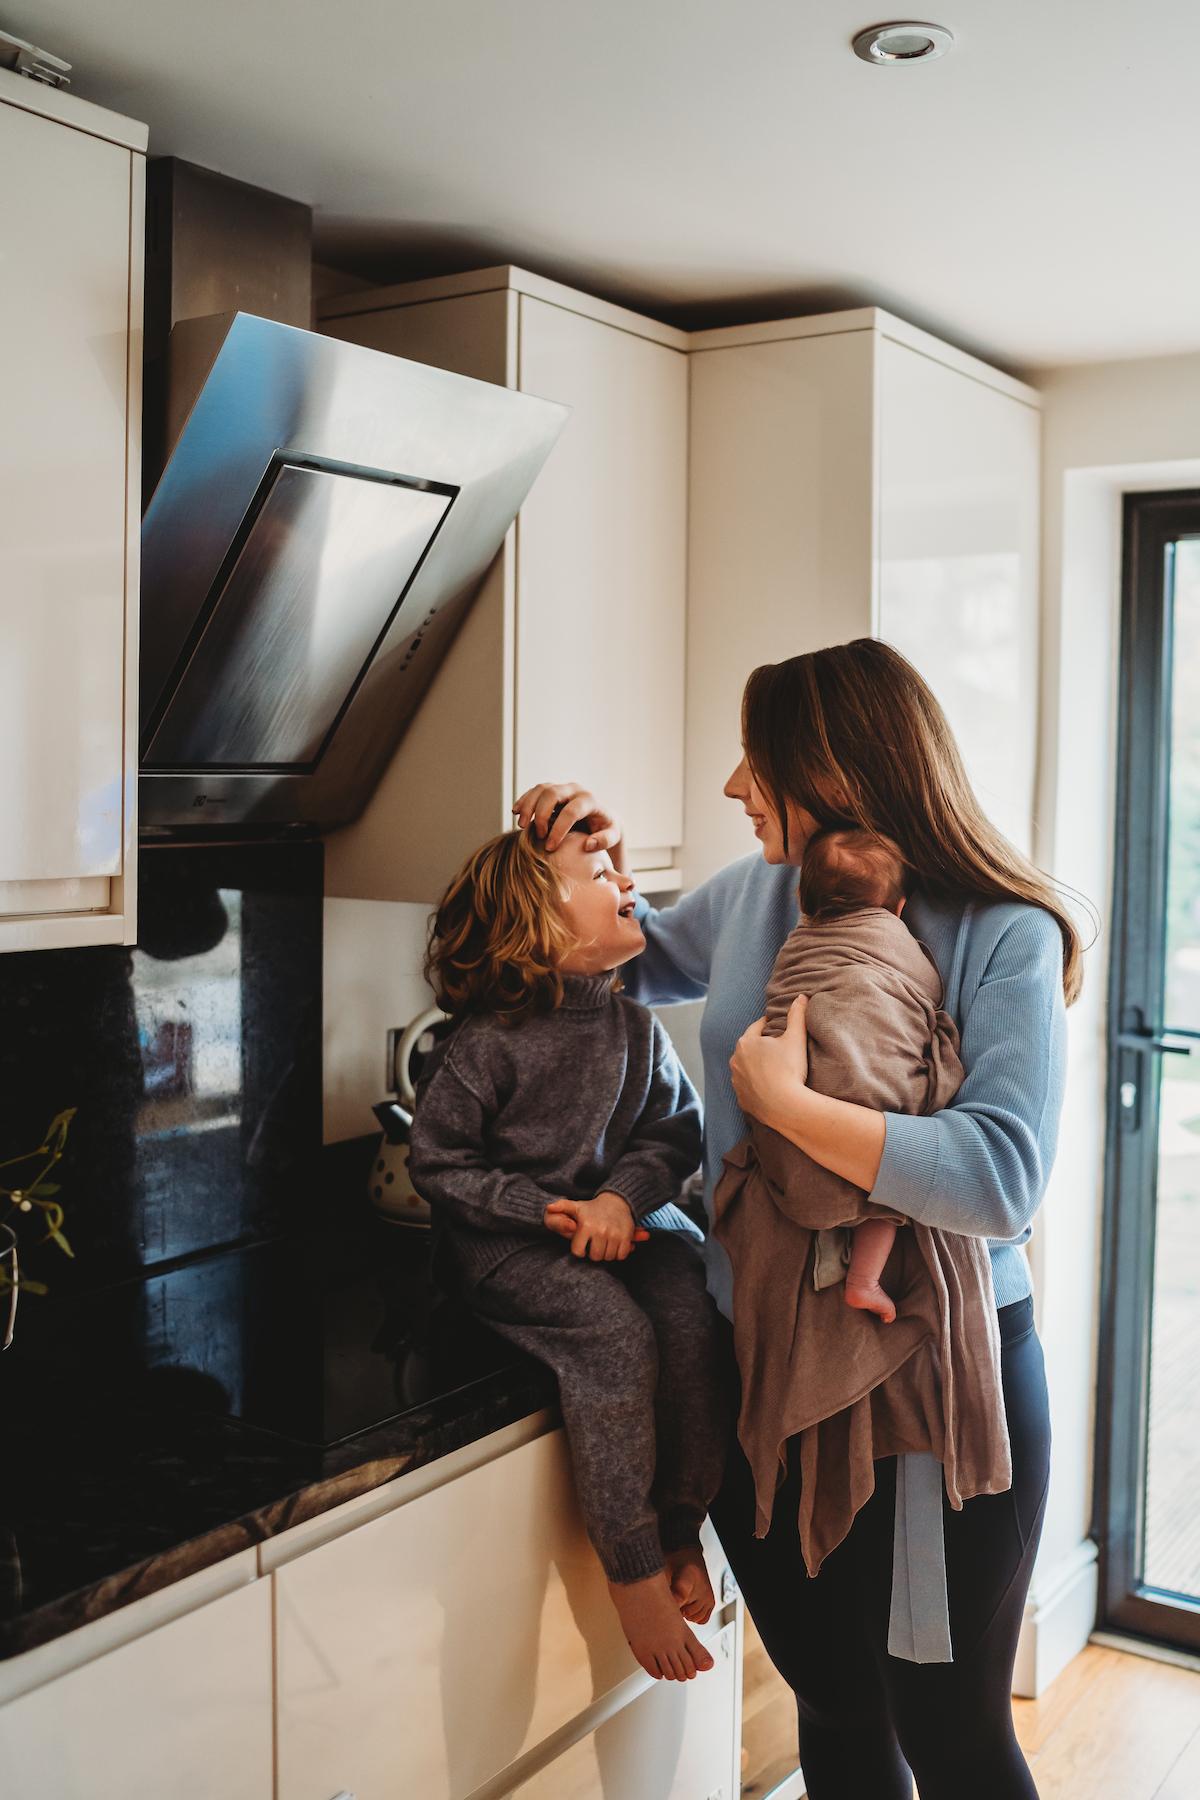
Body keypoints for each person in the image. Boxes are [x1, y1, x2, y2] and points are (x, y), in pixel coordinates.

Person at [512, 638, 1075, 1800]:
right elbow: (616, 959)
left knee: (950, 1728)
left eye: (753, 760)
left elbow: (999, 1176)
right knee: (834, 1697)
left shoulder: (1002, 932)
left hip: (924, 1382)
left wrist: (787, 1106)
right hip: (759, 1360)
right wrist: (574, 861)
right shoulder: (755, 895)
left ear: (830, 769)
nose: (730, 787)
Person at [407, 821, 729, 1684]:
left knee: (691, 1309)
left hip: (615, 1225)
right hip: (504, 1249)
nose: (626, 879)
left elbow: (675, 1132)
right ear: (541, 919)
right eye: (600, 870)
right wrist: (545, 1209)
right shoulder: (484, 1043)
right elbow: (438, 1164)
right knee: (612, 1334)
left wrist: (622, 1200)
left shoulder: (635, 1025)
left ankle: (681, 1529)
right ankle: (632, 1570)